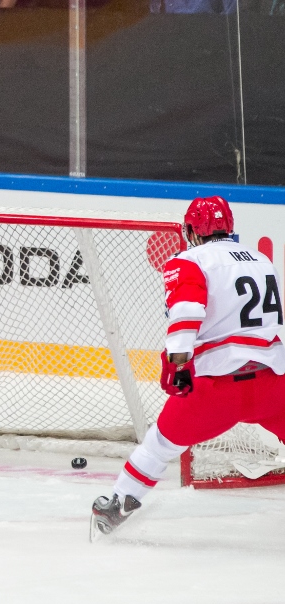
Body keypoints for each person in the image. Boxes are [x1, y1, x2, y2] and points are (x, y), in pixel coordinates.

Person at [90, 196, 285, 539]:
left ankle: (118, 504)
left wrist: (178, 361)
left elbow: (187, 312)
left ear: (192, 229)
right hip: (274, 384)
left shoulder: (189, 260)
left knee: (159, 445)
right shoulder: (260, 259)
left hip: (217, 389)